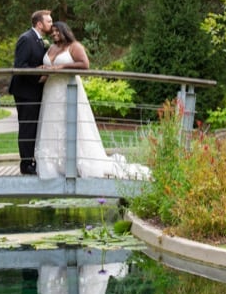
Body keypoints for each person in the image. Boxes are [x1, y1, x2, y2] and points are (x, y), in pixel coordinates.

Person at [35, 21, 151, 180]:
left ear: (65, 31)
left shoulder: (74, 46)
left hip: (69, 88)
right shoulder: (51, 48)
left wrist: (60, 68)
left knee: (72, 123)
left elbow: (85, 64)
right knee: (53, 124)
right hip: (51, 91)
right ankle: (54, 166)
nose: (54, 34)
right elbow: (48, 68)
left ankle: (76, 163)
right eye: (52, 31)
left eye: (57, 31)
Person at [9, 10, 53, 175]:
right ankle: (26, 164)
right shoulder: (26, 39)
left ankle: (32, 160)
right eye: (49, 21)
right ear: (39, 24)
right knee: (27, 127)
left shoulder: (40, 40)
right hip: (25, 91)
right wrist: (38, 73)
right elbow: (20, 67)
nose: (51, 24)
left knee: (33, 126)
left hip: (34, 91)